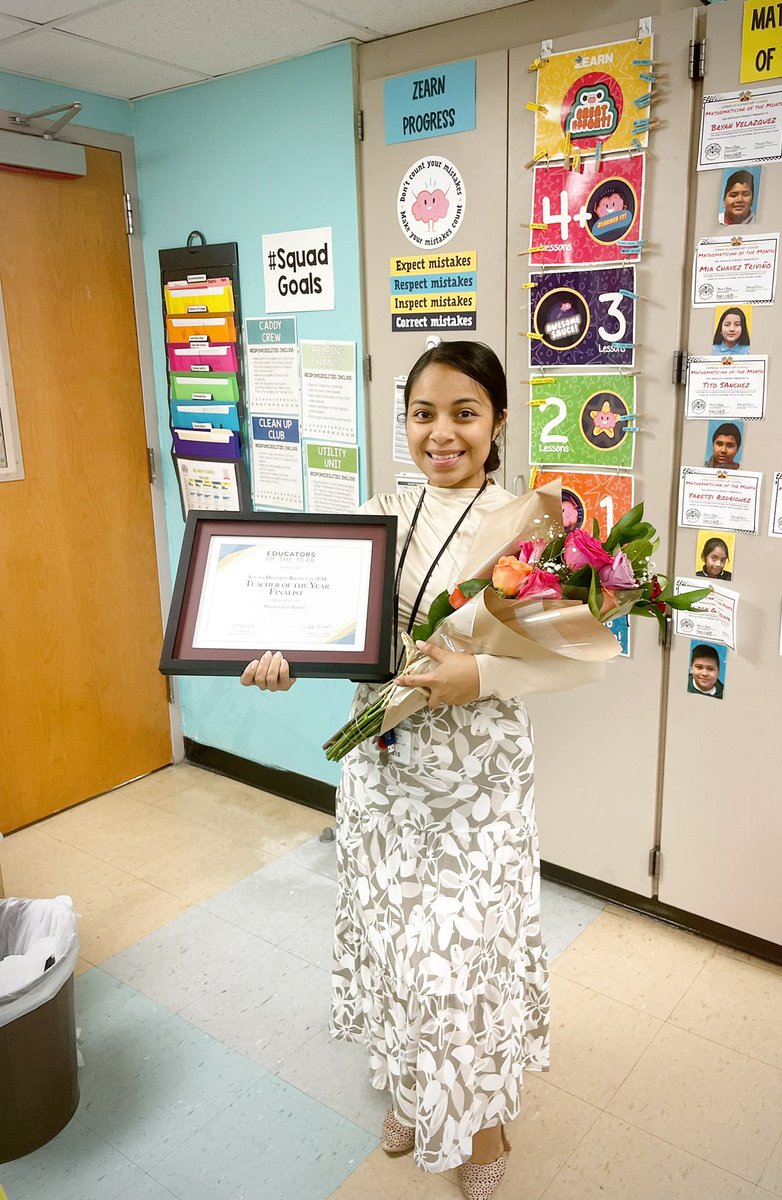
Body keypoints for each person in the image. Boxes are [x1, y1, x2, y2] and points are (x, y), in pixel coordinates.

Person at [240, 341, 611, 1198]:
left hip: (478, 781)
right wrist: (288, 660)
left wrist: (475, 674)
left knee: (463, 964)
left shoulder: (535, 523)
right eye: (422, 414)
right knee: (397, 945)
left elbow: (584, 659)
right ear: (403, 421)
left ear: (498, 423)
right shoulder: (378, 513)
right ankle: (414, 1084)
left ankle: (482, 1125)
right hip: (381, 770)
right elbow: (335, 632)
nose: (441, 434)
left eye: (464, 414)